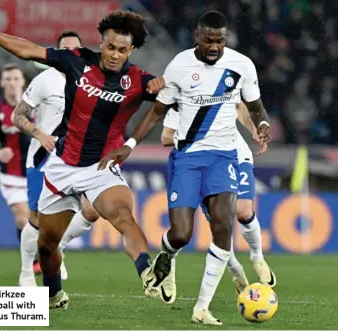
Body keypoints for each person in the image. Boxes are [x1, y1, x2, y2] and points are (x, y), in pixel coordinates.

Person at [0, 10, 168, 309]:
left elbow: (165, 104)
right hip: (62, 166)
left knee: (123, 216)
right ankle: (54, 294)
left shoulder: (138, 80)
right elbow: (27, 48)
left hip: (101, 167)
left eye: (122, 50)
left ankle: (147, 271)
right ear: (101, 42)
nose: (114, 55)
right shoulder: (77, 60)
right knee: (46, 245)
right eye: (110, 47)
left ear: (131, 50)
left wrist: (132, 141)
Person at [98, 11, 272, 325]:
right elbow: (156, 112)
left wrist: (262, 123)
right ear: (197, 36)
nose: (215, 47)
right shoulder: (179, 66)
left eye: (220, 41)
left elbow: (256, 105)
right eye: (209, 40)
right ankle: (167, 254)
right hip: (187, 159)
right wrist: (130, 145)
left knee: (223, 225)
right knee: (181, 234)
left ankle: (202, 308)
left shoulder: (242, 65)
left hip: (223, 157)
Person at [12, 30, 100, 287]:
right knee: (37, 219)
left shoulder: (93, 80)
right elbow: (18, 116)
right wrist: (38, 133)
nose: (72, 54)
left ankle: (55, 248)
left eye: (76, 49)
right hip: (43, 158)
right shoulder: (44, 80)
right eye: (66, 49)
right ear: (58, 52)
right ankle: (27, 272)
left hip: (77, 159)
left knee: (92, 211)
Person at [161, 102, 276, 293]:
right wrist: (197, 139)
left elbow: (239, 107)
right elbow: (166, 136)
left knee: (244, 211)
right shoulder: (182, 100)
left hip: (235, 154)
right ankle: (235, 269)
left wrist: (254, 130)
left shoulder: (222, 87)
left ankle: (257, 257)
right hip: (200, 160)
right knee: (218, 223)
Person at [0, 64, 40, 274]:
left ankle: (46, 256)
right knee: (22, 217)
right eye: (8, 79)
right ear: (2, 83)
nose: (12, 83)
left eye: (16, 78)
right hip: (11, 175)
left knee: (40, 221)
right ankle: (33, 262)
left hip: (38, 172)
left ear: (23, 82)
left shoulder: (36, 105)